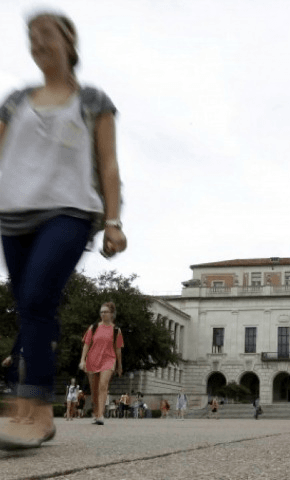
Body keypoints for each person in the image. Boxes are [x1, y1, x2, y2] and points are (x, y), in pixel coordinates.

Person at [0, 11, 126, 450]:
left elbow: (108, 164)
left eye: (46, 33)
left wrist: (113, 221)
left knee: (36, 299)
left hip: (70, 212)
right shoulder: (15, 101)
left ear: (69, 41)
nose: (37, 42)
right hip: (13, 213)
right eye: (30, 36)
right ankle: (30, 409)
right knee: (29, 307)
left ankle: (33, 410)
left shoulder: (92, 100)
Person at [79, 302, 124, 426]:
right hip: (92, 360)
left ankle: (100, 415)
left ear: (112, 314)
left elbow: (118, 349)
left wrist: (119, 365)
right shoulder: (93, 328)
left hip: (108, 360)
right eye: (101, 312)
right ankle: (96, 412)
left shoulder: (116, 330)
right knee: (94, 390)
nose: (103, 314)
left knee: (103, 386)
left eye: (105, 312)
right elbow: (86, 344)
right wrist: (82, 360)